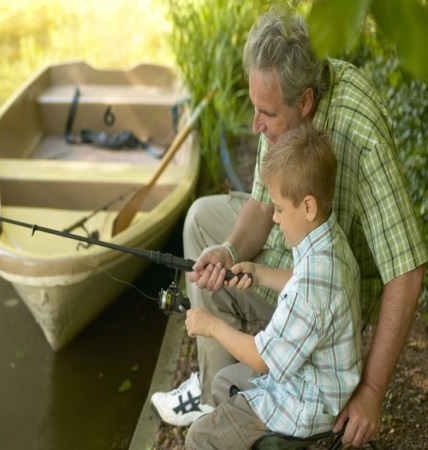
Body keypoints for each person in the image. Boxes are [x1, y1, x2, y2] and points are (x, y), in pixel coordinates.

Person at [150, 6, 427, 448]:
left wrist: (371, 392)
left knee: (213, 425)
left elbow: (408, 270)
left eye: (267, 114)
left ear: (306, 102)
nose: (255, 125)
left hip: (324, 299)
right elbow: (263, 207)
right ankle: (216, 394)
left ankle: (233, 417)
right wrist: (229, 252)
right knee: (202, 222)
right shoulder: (280, 109)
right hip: (297, 249)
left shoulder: (362, 133)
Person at [184, 121, 362, 448]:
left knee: (199, 437)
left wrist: (212, 326)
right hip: (316, 384)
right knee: (225, 382)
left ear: (308, 206)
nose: (275, 218)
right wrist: (259, 273)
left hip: (304, 408)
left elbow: (263, 358)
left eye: (279, 209)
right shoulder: (329, 242)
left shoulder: (310, 287)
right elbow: (301, 279)